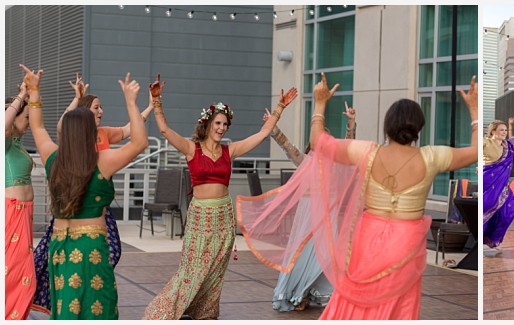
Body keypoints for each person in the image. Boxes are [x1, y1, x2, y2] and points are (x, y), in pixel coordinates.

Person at [237, 73, 478, 319]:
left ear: (387, 126)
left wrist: (319, 103)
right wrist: (474, 112)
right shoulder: (431, 157)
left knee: (355, 307)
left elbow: (318, 141)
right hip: (404, 244)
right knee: (397, 308)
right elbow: (475, 151)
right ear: (419, 127)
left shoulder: (368, 153)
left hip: (367, 242)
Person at [143, 76, 298, 319]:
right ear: (207, 124)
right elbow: (164, 130)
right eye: (218, 123)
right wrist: (156, 100)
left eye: (225, 124)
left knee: (215, 272)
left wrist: (280, 108)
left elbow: (262, 134)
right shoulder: (190, 148)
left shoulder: (230, 150)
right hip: (200, 218)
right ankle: (164, 312)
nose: (221, 128)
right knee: (192, 270)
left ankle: (204, 314)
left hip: (223, 217)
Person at [26, 66, 149, 319]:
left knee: (67, 308)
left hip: (59, 245)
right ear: (88, 131)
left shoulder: (53, 158)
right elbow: (139, 142)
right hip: (91, 244)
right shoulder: (101, 161)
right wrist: (130, 102)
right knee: (97, 307)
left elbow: (38, 129)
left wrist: (35, 92)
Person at [261, 103, 356, 312]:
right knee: (302, 255)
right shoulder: (305, 161)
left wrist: (350, 123)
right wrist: (273, 127)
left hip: (327, 216)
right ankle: (297, 294)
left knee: (325, 257)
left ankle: (310, 292)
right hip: (307, 219)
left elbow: (349, 146)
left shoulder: (336, 163)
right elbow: (288, 147)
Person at [6, 83, 36, 320]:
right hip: (11, 213)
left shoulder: (16, 144)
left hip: (24, 214)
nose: (28, 122)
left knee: (24, 278)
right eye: (25, 117)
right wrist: (21, 96)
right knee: (12, 276)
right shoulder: (4, 144)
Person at [484, 113, 514, 250]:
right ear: (493, 132)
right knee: (485, 212)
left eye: (505, 130)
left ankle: (493, 238)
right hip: (488, 184)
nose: (504, 132)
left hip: (503, 187)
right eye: (501, 130)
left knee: (508, 212)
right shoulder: (485, 142)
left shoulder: (509, 145)